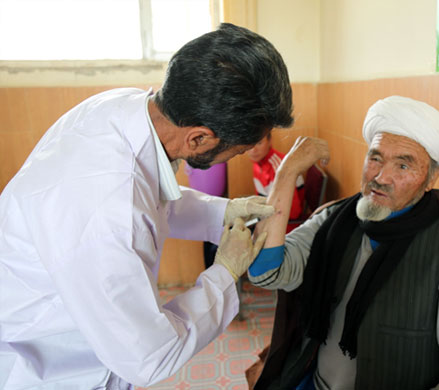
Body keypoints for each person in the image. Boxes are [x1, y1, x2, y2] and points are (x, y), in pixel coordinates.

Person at [0, 23, 295, 389]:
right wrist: (224, 273)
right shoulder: (106, 212)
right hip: (55, 367)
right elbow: (149, 357)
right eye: (237, 150)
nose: (235, 158)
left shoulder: (124, 109)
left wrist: (224, 211)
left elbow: (150, 195)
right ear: (199, 137)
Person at [246, 96, 439, 389]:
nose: (381, 176)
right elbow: (263, 270)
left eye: (403, 166)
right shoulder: (334, 220)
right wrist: (288, 170)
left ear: (431, 179)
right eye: (375, 158)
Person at [247, 133, 305, 232]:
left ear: (270, 141)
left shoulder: (279, 168)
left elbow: (293, 212)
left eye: (259, 143)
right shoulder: (257, 163)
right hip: (270, 216)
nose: (253, 150)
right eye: (249, 144)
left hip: (287, 225)